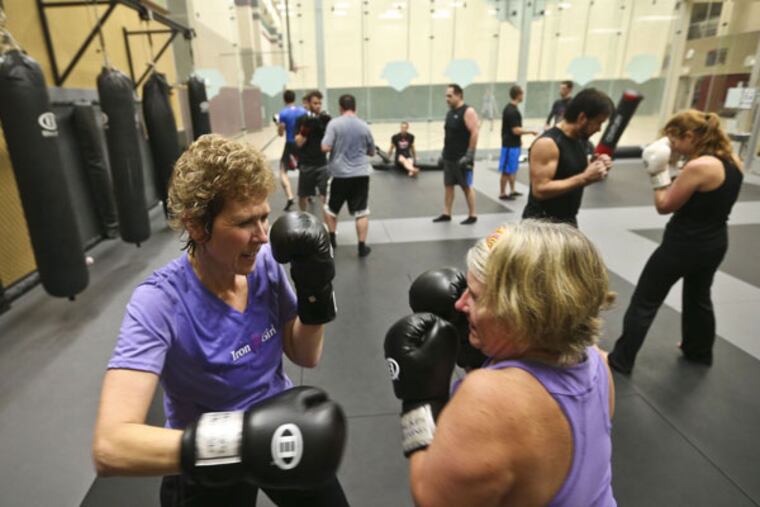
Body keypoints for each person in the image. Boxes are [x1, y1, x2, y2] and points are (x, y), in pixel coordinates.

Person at [91, 134, 350, 507]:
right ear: (196, 226)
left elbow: (305, 355)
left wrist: (316, 294)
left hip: (280, 426)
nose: (262, 237)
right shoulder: (158, 303)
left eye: (264, 216)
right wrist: (242, 443)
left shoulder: (264, 264)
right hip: (208, 456)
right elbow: (110, 446)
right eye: (245, 222)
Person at [385, 220, 617, 506]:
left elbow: (431, 499)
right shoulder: (596, 359)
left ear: (522, 312)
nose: (460, 305)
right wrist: (478, 356)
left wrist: (420, 402)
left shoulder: (488, 397)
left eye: (477, 297)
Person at [608, 110, 744, 374]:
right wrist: (674, 169)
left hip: (682, 246)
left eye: (674, 140)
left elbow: (664, 205)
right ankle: (699, 351)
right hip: (715, 243)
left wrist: (658, 174)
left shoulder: (698, 167)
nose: (672, 146)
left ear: (690, 136)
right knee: (699, 297)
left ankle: (621, 359)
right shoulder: (733, 160)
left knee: (645, 300)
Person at [522, 88, 614, 227]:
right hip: (540, 225)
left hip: (568, 222)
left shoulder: (582, 141)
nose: (599, 129)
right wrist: (585, 177)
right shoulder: (548, 143)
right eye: (598, 122)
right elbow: (540, 189)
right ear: (582, 118)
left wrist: (595, 166)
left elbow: (572, 172)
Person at [321, 94, 375, 257]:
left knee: (330, 209)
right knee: (361, 212)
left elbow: (325, 147)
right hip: (361, 174)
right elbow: (371, 151)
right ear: (355, 107)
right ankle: (361, 246)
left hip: (340, 174)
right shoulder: (364, 125)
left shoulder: (334, 124)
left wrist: (340, 145)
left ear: (341, 108)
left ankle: (332, 240)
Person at [433, 84, 479, 225]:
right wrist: (443, 154)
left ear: (459, 95)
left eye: (449, 96)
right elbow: (449, 135)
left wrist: (469, 155)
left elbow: (475, 132)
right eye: (446, 96)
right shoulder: (450, 112)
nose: (447, 99)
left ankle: (473, 215)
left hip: (462, 158)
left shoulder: (468, 111)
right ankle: (447, 213)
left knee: (466, 186)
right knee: (448, 186)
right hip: (449, 157)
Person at [499, 85, 538, 200]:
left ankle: (512, 190)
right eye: (522, 94)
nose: (523, 96)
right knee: (506, 170)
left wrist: (519, 140)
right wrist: (531, 131)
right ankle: (502, 192)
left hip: (514, 144)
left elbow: (515, 130)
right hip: (508, 145)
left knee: (512, 168)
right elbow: (515, 130)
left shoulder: (514, 109)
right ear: (518, 95)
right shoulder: (511, 111)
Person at [295, 90, 331, 212]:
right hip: (307, 164)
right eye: (315, 103)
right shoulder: (301, 120)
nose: (318, 106)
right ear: (309, 103)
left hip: (322, 163)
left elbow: (331, 142)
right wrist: (306, 128)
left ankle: (328, 224)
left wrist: (327, 126)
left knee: (325, 195)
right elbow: (299, 143)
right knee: (303, 195)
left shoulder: (323, 119)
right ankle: (304, 218)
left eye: (320, 103)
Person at [277, 89, 307, 211]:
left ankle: (290, 196)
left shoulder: (283, 113)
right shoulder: (303, 111)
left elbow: (280, 133)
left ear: (284, 99)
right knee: (304, 169)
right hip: (302, 144)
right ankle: (308, 194)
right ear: (294, 98)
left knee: (283, 171)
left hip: (290, 144)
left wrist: (278, 127)